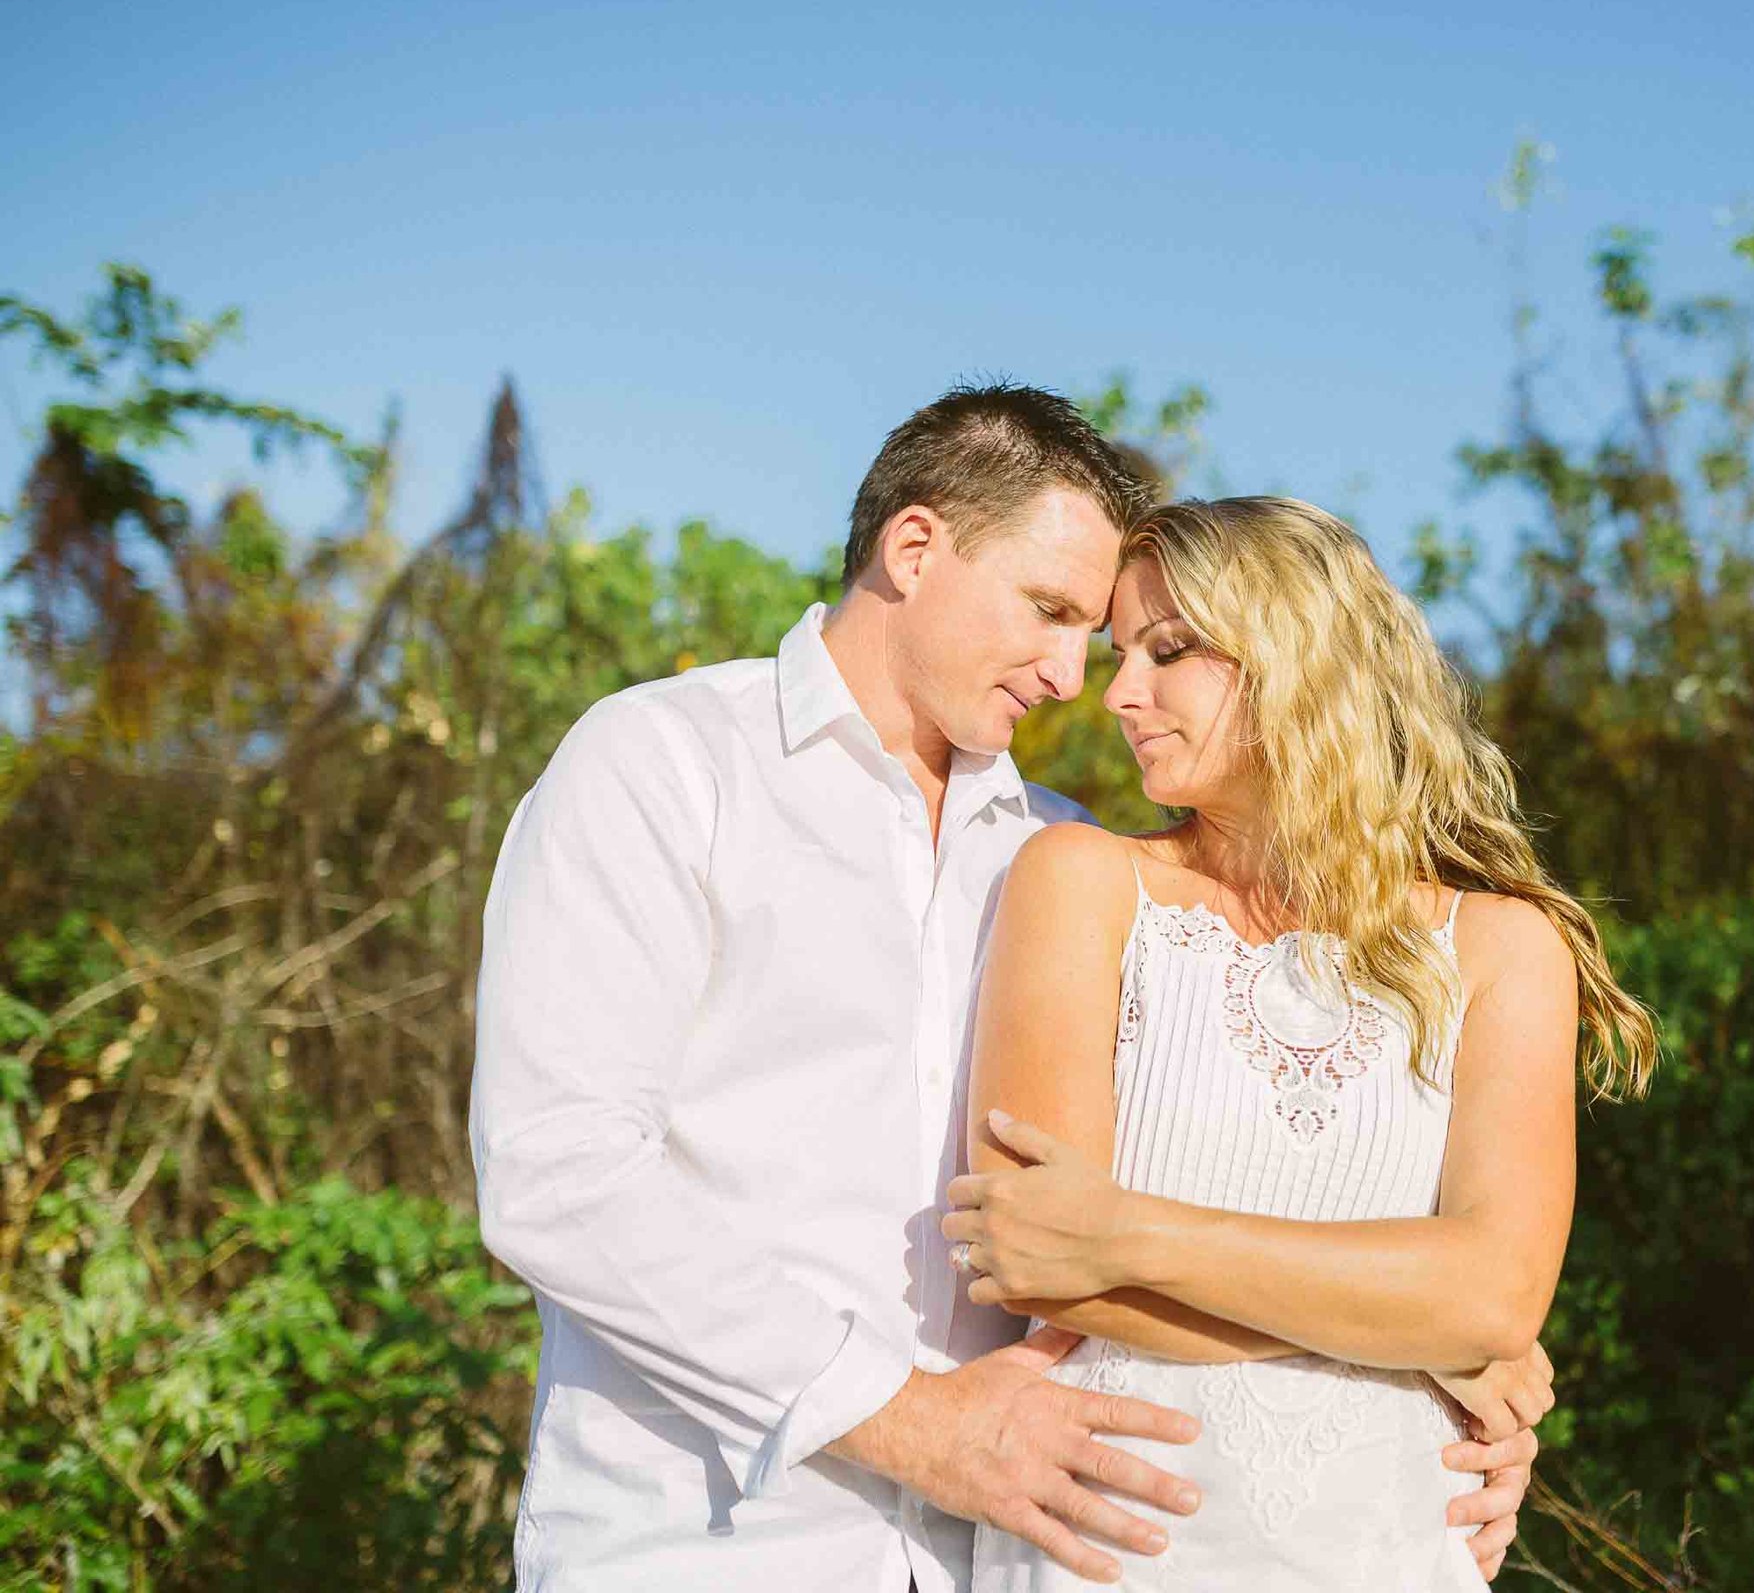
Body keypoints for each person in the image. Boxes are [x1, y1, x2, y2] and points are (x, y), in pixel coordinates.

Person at [469, 387, 1540, 1592]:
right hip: (710, 1538)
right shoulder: (665, 764)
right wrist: (912, 1420)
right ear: (914, 547)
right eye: (1048, 612)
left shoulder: (1054, 842)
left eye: (1097, 636)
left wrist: (1431, 1353)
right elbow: (561, 1175)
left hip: (1004, 1541)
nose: (1073, 679)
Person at [947, 498, 1658, 1590]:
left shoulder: (1506, 946)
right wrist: (1418, 1329)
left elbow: (1496, 1296)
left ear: (1298, 657)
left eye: (1169, 649)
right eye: (1118, 653)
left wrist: (1127, 1225)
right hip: (1113, 1532)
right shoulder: (1078, 879)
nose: (1119, 692)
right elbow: (1038, 1262)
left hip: (1382, 1544)